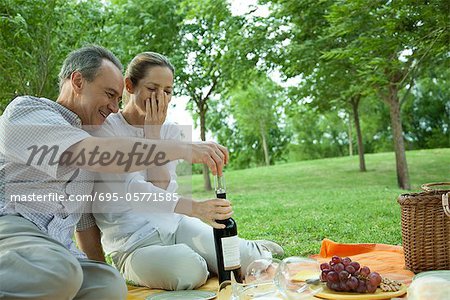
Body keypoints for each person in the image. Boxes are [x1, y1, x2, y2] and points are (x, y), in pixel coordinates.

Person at [0, 45, 229, 299]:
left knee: (109, 285)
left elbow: (84, 222)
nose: (114, 108)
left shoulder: (93, 135)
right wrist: (183, 149)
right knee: (61, 273)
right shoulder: (29, 112)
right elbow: (98, 153)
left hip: (57, 247)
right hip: (13, 229)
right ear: (77, 81)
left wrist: (98, 266)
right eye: (109, 95)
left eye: (118, 99)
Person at [84, 52, 284, 291]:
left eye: (167, 91)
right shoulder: (106, 130)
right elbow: (134, 191)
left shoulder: (168, 130)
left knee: (247, 261)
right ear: (129, 85)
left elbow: (160, 188)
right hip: (134, 243)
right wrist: (195, 207)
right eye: (152, 88)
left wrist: (154, 134)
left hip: (175, 225)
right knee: (190, 271)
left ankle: (250, 249)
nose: (160, 97)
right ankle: (199, 258)